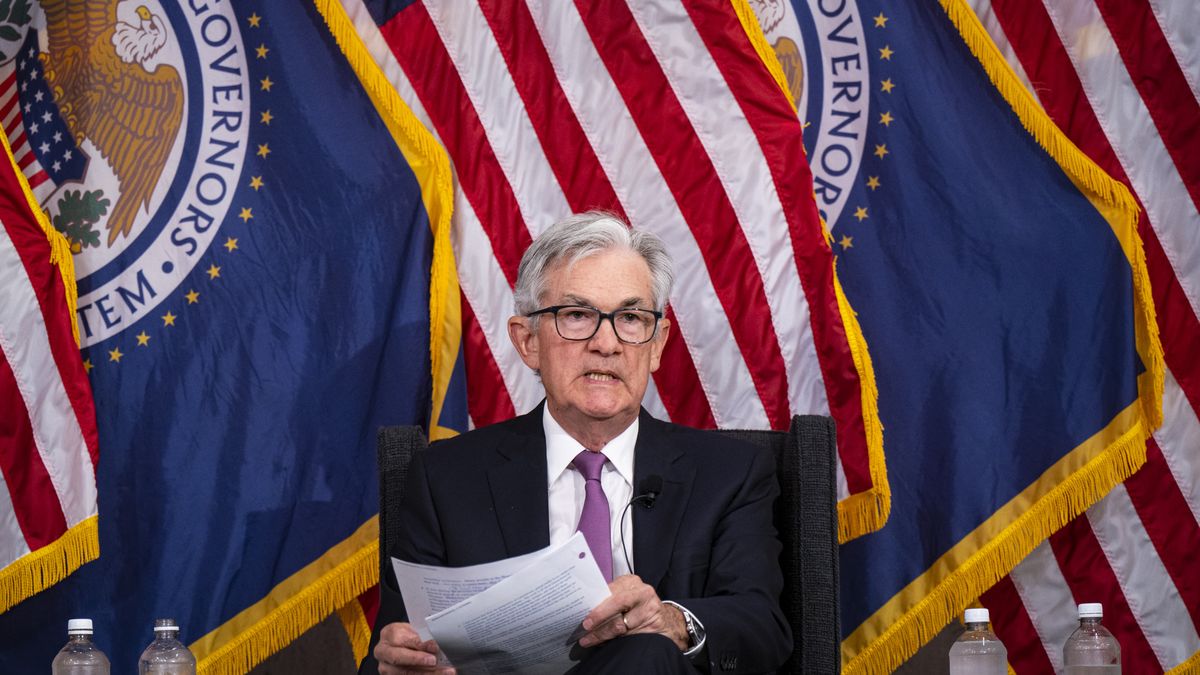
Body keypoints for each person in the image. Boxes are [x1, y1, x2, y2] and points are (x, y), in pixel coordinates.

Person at [361, 212, 791, 674]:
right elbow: (390, 655)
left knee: (646, 651)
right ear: (527, 341)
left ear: (658, 344)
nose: (606, 343)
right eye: (577, 315)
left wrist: (670, 620)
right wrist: (400, 665)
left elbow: (763, 628)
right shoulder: (446, 478)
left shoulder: (730, 473)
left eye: (630, 317)